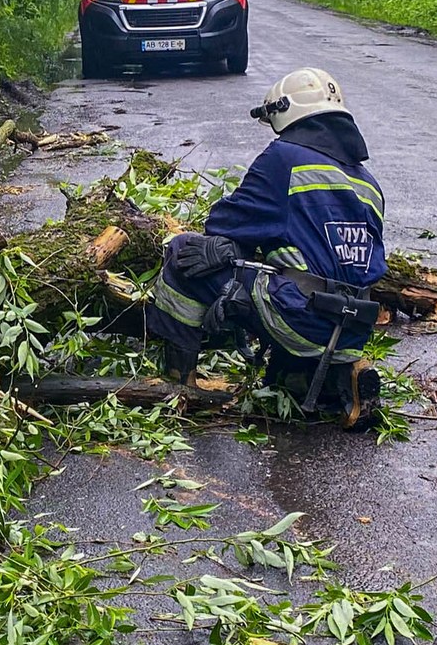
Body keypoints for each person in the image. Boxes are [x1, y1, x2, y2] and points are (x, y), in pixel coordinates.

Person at [146, 67, 387, 427]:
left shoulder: (285, 159)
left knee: (186, 252)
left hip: (302, 318)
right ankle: (339, 375)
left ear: (287, 114)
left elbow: (224, 225)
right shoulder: (368, 182)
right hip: (353, 328)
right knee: (291, 303)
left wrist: (236, 252)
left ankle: (179, 382)